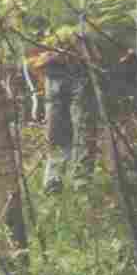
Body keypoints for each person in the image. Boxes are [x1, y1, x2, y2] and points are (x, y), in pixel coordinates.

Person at [31, 31, 100, 194]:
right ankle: (54, 182)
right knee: (57, 131)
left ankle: (82, 183)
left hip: (80, 70)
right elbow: (31, 56)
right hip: (52, 71)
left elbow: (95, 55)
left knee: (84, 128)